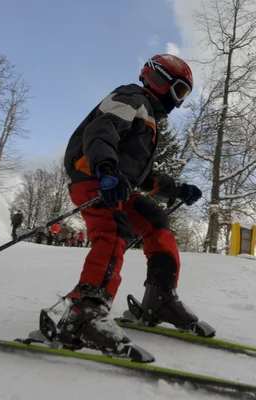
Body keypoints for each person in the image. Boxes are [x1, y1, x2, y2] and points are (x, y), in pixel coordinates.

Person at [51, 54, 207, 354]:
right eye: (179, 90)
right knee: (114, 229)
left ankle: (159, 298)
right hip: (94, 178)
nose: (178, 101)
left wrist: (178, 189)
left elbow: (144, 177)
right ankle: (84, 313)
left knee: (155, 219)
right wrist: (106, 170)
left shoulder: (148, 120)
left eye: (184, 94)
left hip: (117, 185)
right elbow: (102, 129)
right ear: (159, 80)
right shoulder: (131, 97)